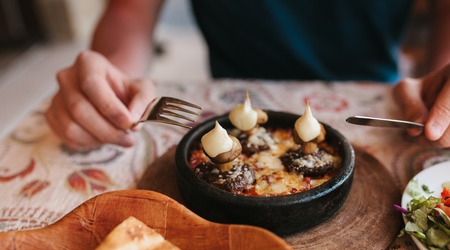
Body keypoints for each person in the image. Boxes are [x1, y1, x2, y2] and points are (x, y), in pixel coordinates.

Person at [45, 0, 450, 150]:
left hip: (380, 107)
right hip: (228, 101)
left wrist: (439, 86)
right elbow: (129, 13)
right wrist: (109, 80)